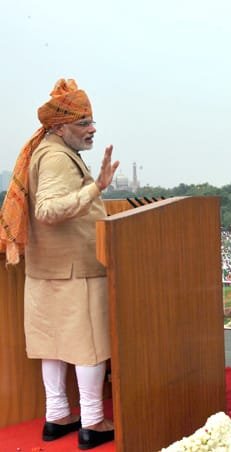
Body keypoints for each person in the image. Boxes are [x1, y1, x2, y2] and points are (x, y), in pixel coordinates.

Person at [0, 79, 119, 449]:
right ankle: (93, 422)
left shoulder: (47, 151)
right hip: (75, 271)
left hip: (46, 270)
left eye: (92, 121)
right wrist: (95, 187)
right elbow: (48, 210)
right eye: (84, 123)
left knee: (51, 346)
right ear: (59, 126)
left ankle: (57, 417)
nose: (92, 129)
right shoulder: (54, 157)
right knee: (89, 347)